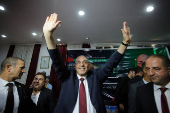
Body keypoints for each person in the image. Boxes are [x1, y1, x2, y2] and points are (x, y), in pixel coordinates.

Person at [43, 13, 131, 113]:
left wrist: (125, 43)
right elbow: (56, 60)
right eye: (79, 62)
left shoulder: (96, 77)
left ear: (88, 66)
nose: (82, 64)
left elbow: (110, 64)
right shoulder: (66, 76)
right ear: (75, 66)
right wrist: (48, 35)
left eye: (85, 62)